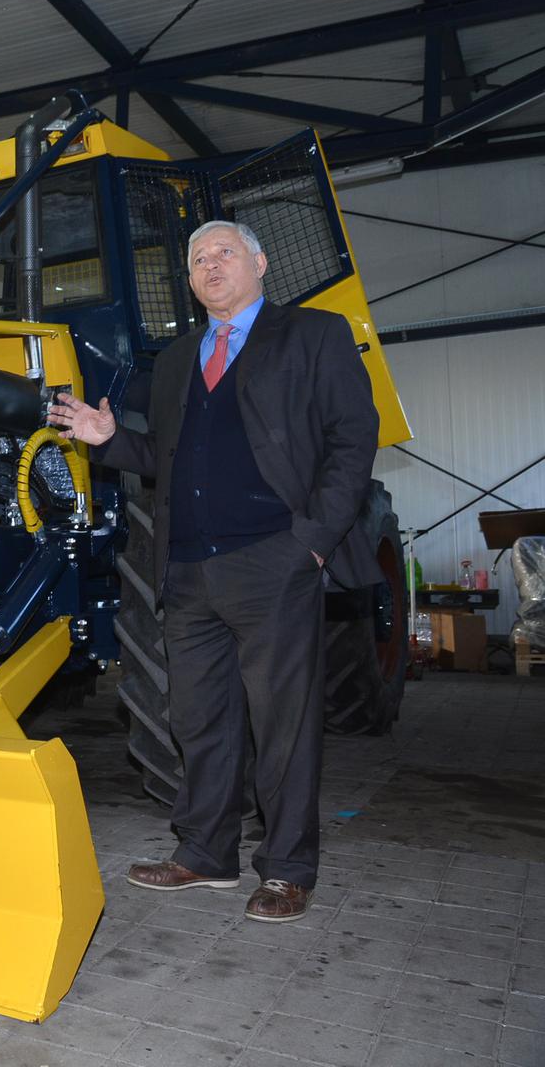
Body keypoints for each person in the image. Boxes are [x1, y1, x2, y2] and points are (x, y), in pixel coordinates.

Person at [46, 220, 380, 922]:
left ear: (260, 262)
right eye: (197, 258)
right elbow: (163, 459)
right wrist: (110, 440)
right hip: (190, 569)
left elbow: (352, 438)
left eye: (224, 252)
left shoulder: (313, 335)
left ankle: (286, 870)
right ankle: (205, 853)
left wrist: (312, 542)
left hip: (273, 558)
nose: (210, 265)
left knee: (282, 724)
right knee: (199, 720)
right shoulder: (176, 360)